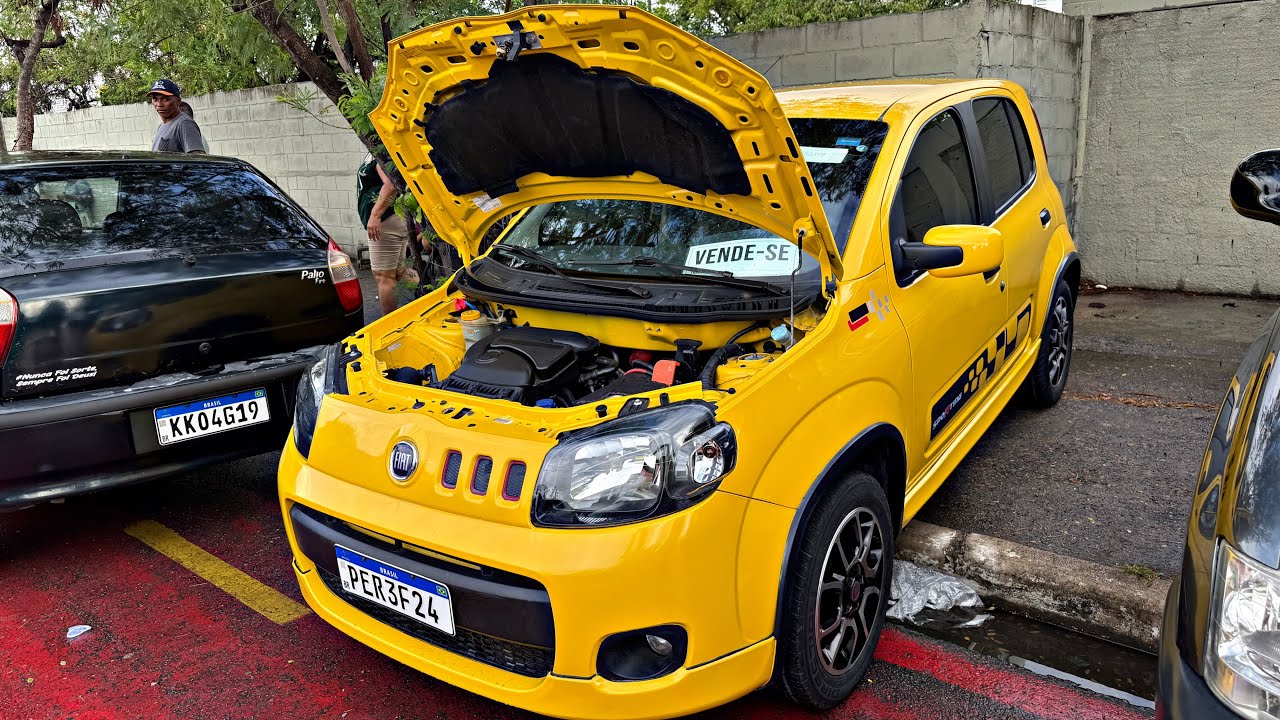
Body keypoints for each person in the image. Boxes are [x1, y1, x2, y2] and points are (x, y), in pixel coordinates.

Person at [357, 155, 419, 315]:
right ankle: (427, 292)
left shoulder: (382, 151)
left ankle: (390, 324)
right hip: (392, 219)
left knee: (384, 276)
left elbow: (391, 184)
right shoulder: (376, 151)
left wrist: (375, 214)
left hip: (386, 220)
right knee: (399, 272)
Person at [147, 79, 205, 154]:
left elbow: (197, 160)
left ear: (178, 101)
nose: (159, 104)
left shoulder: (184, 124)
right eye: (155, 99)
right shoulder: (161, 127)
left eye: (165, 99)